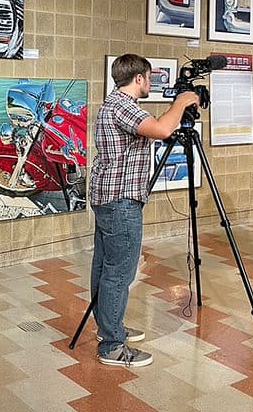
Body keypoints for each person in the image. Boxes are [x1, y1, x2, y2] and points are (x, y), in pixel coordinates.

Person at [90, 54, 199, 367]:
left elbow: (154, 127)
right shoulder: (123, 105)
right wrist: (182, 102)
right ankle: (111, 345)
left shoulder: (112, 103)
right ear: (138, 79)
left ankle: (108, 328)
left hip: (108, 196)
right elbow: (164, 130)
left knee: (105, 267)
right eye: (149, 78)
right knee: (118, 272)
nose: (150, 84)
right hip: (121, 200)